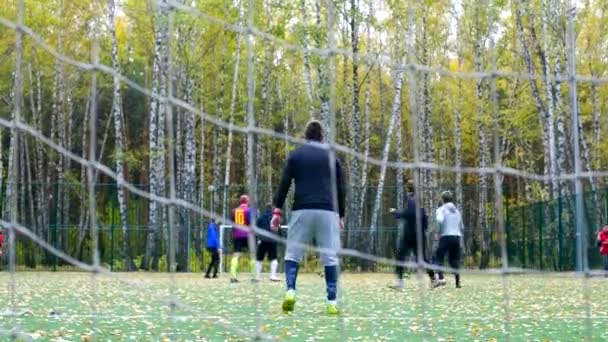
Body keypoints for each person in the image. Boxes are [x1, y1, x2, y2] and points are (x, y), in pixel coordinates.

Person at [271, 119, 345, 315]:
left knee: (292, 254)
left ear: (305, 136)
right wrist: (341, 214)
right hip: (327, 211)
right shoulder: (332, 157)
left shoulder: (296, 156)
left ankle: (290, 290)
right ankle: (332, 301)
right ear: (322, 136)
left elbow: (284, 183)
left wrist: (277, 210)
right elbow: (341, 188)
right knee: (330, 257)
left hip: (301, 209)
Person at [388, 180, 434, 290]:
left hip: (410, 235)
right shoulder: (420, 201)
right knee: (421, 260)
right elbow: (424, 219)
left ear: (407, 189)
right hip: (419, 235)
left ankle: (400, 282)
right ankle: (434, 278)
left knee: (401, 256)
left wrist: (396, 212)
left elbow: (409, 214)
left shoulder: (411, 200)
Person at [431, 191, 464, 288]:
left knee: (438, 257)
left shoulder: (441, 209)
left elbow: (440, 220)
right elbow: (462, 226)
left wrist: (437, 231)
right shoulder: (457, 211)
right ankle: (457, 283)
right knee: (454, 261)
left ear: (442, 199)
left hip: (446, 236)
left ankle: (440, 278)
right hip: (457, 237)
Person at [230, 194, 255, 283]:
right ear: (247, 202)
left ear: (240, 202)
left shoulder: (234, 211)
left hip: (237, 235)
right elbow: (251, 223)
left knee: (236, 255)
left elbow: (232, 225)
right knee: (252, 255)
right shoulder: (249, 211)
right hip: (247, 235)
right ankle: (254, 276)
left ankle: (233, 276)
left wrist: (233, 234)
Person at [255, 204, 281, 282]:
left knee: (259, 259)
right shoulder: (275, 218)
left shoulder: (260, 218)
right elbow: (278, 229)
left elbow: (256, 229)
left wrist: (257, 238)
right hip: (272, 240)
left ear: (265, 209)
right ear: (272, 210)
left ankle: (257, 276)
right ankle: (273, 276)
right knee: (273, 258)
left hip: (262, 240)